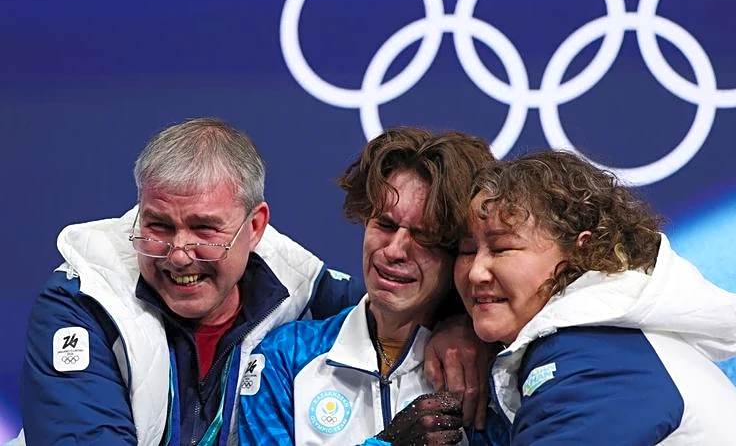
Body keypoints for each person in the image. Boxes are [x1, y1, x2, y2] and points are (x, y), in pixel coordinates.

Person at [14, 118, 488, 446]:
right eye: (158, 225)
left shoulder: (301, 288)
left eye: (204, 229)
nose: (179, 253)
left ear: (256, 226)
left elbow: (394, 304)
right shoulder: (85, 301)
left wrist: (464, 323)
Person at [454, 150, 736, 445]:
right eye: (467, 251)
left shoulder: (595, 361)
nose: (476, 272)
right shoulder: (608, 338)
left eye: (502, 248)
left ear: (581, 250)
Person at [238, 126, 503, 445]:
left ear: (459, 251)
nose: (394, 251)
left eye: (425, 236)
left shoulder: (484, 370)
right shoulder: (286, 357)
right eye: (385, 225)